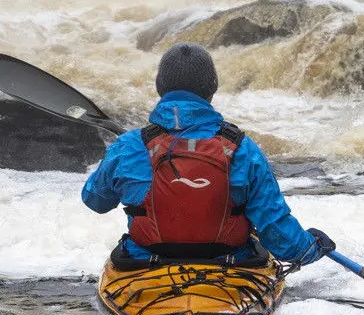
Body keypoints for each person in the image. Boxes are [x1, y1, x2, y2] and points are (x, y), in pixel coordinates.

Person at [82, 42, 336, 268]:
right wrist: (312, 246)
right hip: (231, 264)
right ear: (212, 87)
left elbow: (95, 201)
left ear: (160, 87)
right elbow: (282, 238)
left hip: (145, 262)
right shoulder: (243, 149)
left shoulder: (127, 146)